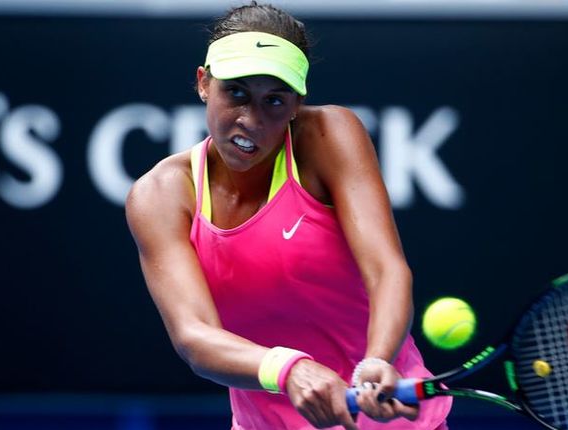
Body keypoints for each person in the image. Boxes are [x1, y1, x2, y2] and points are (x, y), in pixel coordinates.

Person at [125, 2, 451, 429]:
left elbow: (386, 268)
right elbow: (194, 336)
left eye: (274, 100)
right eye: (236, 93)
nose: (251, 120)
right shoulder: (160, 195)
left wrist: (377, 359)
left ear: (298, 103)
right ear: (204, 83)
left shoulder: (328, 135)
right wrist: (289, 369)